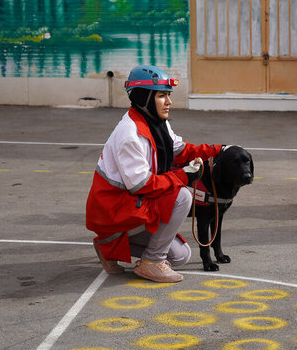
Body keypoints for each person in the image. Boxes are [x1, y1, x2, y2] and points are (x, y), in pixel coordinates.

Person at [86, 65, 223, 282]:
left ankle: (108, 246)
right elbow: (141, 185)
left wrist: (218, 150)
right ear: (144, 97)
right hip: (113, 211)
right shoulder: (130, 134)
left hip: (129, 207)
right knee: (182, 196)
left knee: (181, 256)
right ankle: (151, 262)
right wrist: (184, 176)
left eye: (168, 95)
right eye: (162, 96)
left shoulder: (157, 123)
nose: (169, 102)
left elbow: (181, 151)